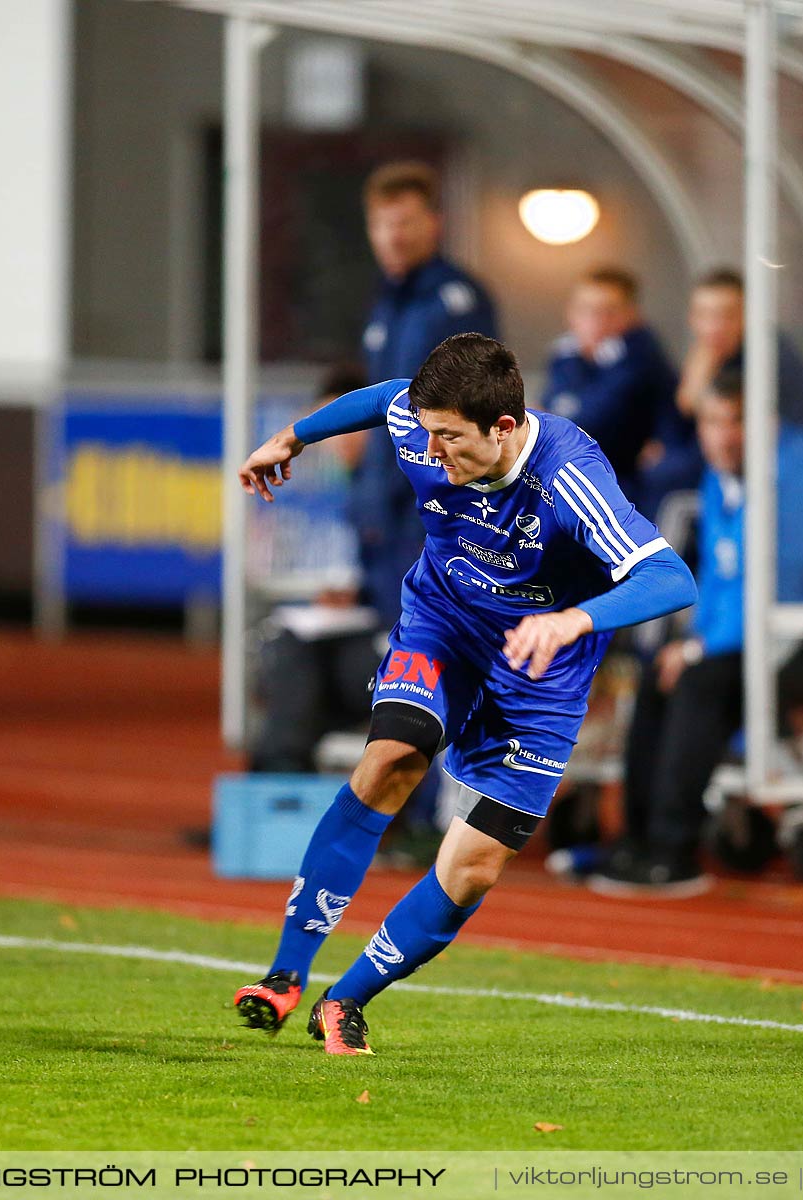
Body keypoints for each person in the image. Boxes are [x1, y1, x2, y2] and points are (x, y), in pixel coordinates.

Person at [231, 333, 695, 1055]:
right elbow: (381, 399)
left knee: (473, 867)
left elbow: (670, 578)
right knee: (390, 760)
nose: (431, 451)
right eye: (428, 432)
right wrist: (290, 438)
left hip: (542, 673)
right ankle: (283, 976)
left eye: (449, 437)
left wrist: (572, 619)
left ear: (503, 429)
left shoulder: (569, 477)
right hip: (441, 626)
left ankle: (344, 1000)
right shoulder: (423, 426)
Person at [594, 366, 803, 896]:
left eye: (738, 421)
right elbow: (721, 578)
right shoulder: (723, 479)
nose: (724, 435)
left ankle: (674, 851)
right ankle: (637, 842)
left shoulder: (795, 483)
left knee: (701, 680)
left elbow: (777, 585)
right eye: (713, 421)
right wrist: (689, 644)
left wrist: (701, 650)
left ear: (767, 424)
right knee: (659, 674)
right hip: (774, 634)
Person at [357, 163, 500, 846]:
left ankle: (427, 817)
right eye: (384, 223)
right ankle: (402, 812)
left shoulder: (456, 302)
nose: (395, 235)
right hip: (386, 518)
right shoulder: (390, 303)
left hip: (433, 521)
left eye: (407, 221)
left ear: (434, 225)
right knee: (402, 669)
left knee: (431, 666)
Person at [249, 364, 386, 774]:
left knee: (296, 667)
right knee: (292, 654)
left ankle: (272, 797)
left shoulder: (400, 482)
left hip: (408, 645)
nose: (335, 442)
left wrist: (368, 599)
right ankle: (274, 796)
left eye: (344, 426)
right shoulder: (365, 484)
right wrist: (356, 596)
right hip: (378, 628)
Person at [643, 269, 803, 516]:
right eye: (705, 315)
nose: (714, 326)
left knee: (664, 476)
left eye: (725, 316)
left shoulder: (766, 356)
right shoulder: (711, 356)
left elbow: (725, 426)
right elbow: (687, 417)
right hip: (738, 459)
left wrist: (694, 391)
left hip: (778, 466)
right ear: (692, 318)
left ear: (747, 317)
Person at [542, 267, 677, 501]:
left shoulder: (641, 357)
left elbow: (586, 427)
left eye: (608, 312)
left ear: (631, 314)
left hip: (629, 486)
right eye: (585, 310)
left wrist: (553, 419)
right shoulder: (566, 355)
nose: (595, 321)